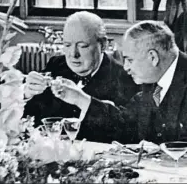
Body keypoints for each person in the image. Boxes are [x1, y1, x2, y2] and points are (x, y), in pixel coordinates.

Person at [52, 20, 187, 146]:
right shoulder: (153, 79)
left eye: (129, 60)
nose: (125, 67)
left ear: (153, 57)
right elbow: (125, 123)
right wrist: (80, 99)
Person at [23, 11, 139, 142]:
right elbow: (31, 120)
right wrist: (27, 94)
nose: (73, 54)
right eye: (67, 45)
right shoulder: (56, 65)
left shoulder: (124, 78)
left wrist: (81, 99)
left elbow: (126, 133)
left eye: (83, 46)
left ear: (103, 45)